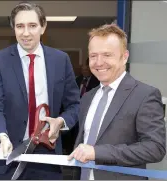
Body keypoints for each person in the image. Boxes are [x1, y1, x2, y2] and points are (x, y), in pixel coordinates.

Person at [0, 2, 80, 180]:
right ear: (13, 29)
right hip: (8, 154)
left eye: (32, 26)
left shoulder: (61, 60)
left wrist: (61, 121)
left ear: (43, 27)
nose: (26, 33)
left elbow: (74, 105)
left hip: (48, 155)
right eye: (20, 26)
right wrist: (1, 137)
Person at [68, 24, 166, 180]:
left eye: (107, 55)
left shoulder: (145, 95)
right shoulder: (88, 97)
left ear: (124, 57)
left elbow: (155, 148)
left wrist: (97, 152)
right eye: (93, 56)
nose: (99, 62)